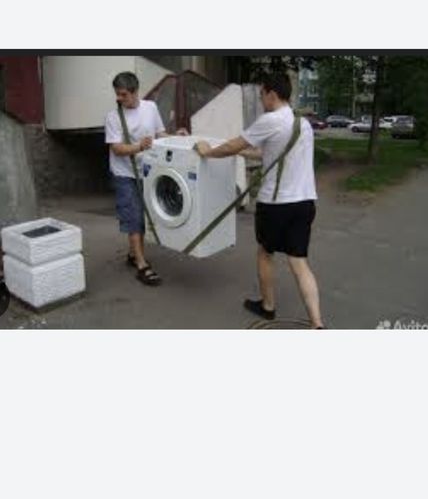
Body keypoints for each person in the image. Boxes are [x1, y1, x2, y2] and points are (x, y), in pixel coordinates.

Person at [195, 71, 324, 329]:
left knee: (265, 253)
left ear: (272, 94)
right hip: (304, 203)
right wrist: (244, 155)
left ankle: (268, 306)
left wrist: (208, 152)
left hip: (276, 206)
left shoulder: (270, 120)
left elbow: (234, 145)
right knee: (299, 261)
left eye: (262, 94)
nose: (261, 99)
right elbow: (271, 154)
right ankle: (317, 323)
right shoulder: (303, 124)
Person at [105, 71, 185, 286]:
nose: (119, 98)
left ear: (135, 92)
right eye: (117, 94)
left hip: (148, 171)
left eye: (123, 94)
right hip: (124, 173)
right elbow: (117, 148)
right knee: (134, 217)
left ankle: (133, 254)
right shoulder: (113, 117)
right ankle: (141, 265)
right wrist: (139, 146)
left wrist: (176, 137)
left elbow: (160, 135)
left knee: (145, 215)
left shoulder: (150, 108)